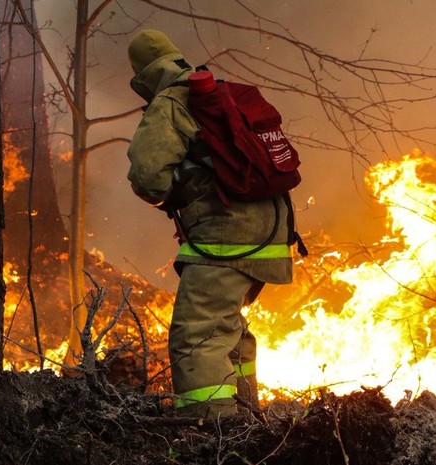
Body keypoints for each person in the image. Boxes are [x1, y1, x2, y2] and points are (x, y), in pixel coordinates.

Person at [125, 30, 293, 419]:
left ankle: (208, 427)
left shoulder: (171, 101)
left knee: (198, 332)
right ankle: (244, 417)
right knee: (227, 328)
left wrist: (177, 192)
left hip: (227, 235)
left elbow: (148, 177)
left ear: (143, 76)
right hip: (272, 232)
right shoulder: (218, 93)